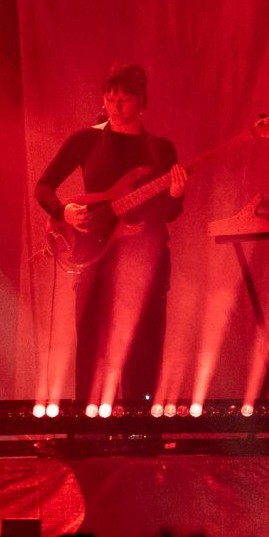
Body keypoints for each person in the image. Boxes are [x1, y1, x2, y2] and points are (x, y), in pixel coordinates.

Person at [34, 63, 188, 404]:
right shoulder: (86, 140)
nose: (116, 106)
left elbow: (169, 213)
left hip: (145, 261)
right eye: (110, 97)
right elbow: (43, 187)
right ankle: (88, 424)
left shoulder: (161, 149)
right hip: (95, 255)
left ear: (141, 101)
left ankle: (139, 425)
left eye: (125, 99)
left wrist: (176, 194)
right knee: (91, 345)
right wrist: (63, 212)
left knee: (144, 347)